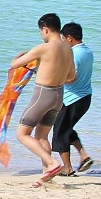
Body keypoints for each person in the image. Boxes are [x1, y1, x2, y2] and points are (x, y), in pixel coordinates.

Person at [9, 12, 78, 187]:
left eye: (41, 31)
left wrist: (20, 55)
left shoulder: (43, 48)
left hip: (43, 94)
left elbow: (14, 65)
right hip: (58, 96)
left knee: (22, 134)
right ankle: (47, 173)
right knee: (42, 137)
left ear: (45, 29)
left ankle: (52, 163)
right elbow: (71, 77)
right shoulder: (68, 49)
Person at [52, 21, 95, 175]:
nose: (63, 42)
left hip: (73, 100)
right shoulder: (88, 52)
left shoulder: (74, 54)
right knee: (66, 128)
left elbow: (71, 78)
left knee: (59, 132)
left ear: (69, 38)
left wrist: (53, 79)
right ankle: (84, 155)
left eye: (63, 39)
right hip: (85, 98)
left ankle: (67, 168)